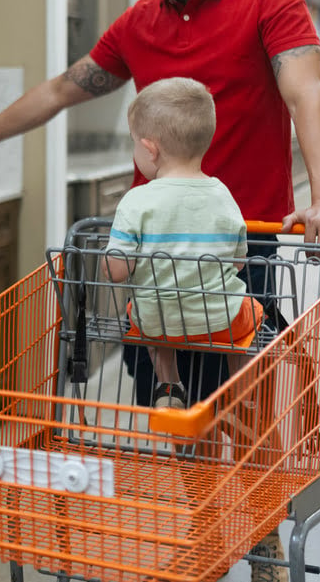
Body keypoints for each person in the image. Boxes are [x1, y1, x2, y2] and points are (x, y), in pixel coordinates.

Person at [0, 0, 320, 580]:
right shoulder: (139, 25)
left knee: (251, 405)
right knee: (174, 413)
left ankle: (261, 529)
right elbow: (61, 90)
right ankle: (206, 524)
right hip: (152, 261)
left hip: (241, 244)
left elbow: (306, 93)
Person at [100, 78, 260, 409]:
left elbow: (117, 271)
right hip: (220, 321)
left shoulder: (136, 201)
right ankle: (240, 383)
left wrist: (106, 260)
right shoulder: (222, 195)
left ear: (150, 149)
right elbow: (238, 261)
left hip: (160, 321)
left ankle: (169, 384)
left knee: (146, 314)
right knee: (249, 310)